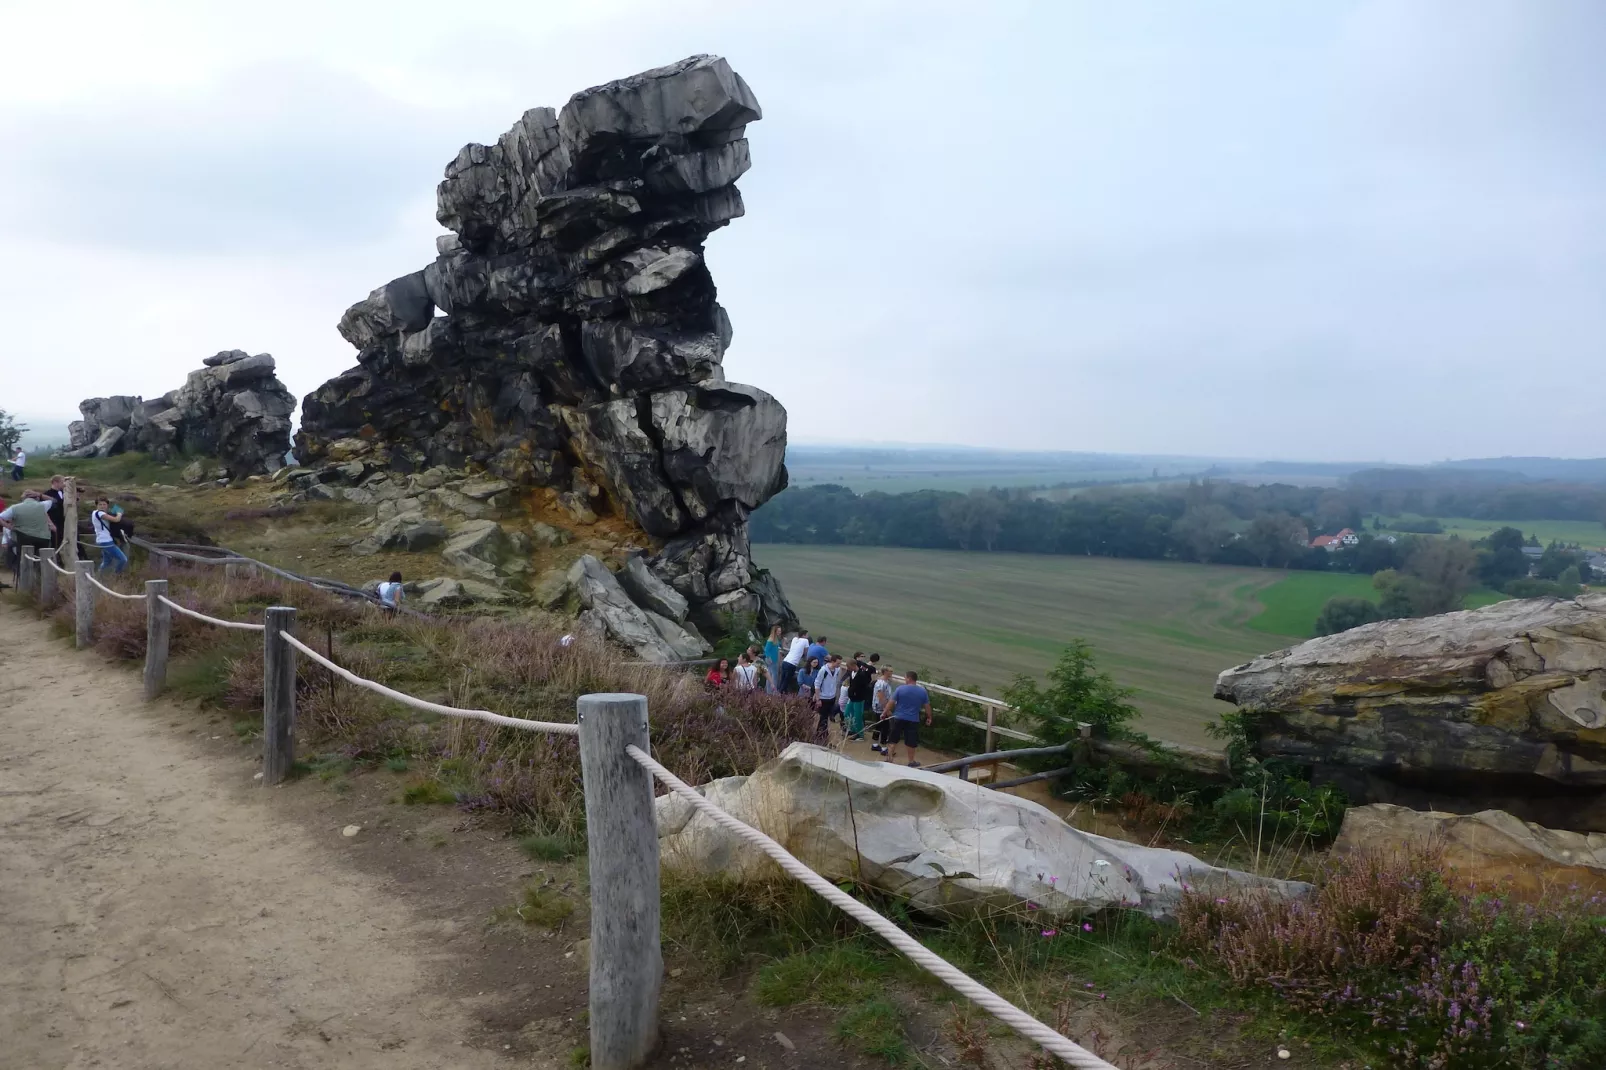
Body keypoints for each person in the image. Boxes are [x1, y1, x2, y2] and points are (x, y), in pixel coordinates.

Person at [1, 490, 57, 578]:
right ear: (36, 498)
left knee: (23, 559)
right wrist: (40, 494)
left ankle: (22, 579)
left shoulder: (15, 507)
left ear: (23, 499)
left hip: (23, 537)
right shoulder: (42, 505)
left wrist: (8, 526)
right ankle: (42, 578)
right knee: (43, 559)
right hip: (43, 538)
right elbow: (54, 501)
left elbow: (1, 517)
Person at [886, 671, 933, 767]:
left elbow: (891, 702)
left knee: (893, 738)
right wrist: (929, 717)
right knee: (911, 741)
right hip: (913, 719)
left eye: (905, 678)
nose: (904, 679)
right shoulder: (922, 691)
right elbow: (927, 706)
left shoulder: (900, 689)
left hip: (898, 717)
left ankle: (889, 758)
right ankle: (911, 761)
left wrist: (884, 712)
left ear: (909, 678)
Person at [90, 497, 128, 574]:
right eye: (100, 504)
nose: (102, 506)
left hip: (102, 540)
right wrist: (119, 513)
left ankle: (98, 576)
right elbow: (116, 519)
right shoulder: (100, 513)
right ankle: (116, 575)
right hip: (106, 541)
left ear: (107, 505)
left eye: (104, 504)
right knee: (123, 559)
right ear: (96, 505)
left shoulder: (94, 513)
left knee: (107, 561)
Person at [843, 653, 874, 740]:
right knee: (847, 714)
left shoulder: (862, 675)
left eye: (849, 666)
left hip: (859, 699)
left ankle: (860, 735)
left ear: (854, 665)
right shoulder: (852, 673)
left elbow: (865, 687)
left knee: (858, 716)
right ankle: (853, 730)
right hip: (852, 697)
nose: (848, 668)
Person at [813, 655, 845, 737]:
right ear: (833, 661)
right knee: (823, 716)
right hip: (823, 697)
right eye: (838, 663)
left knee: (826, 716)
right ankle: (821, 734)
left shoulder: (837, 669)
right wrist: (818, 699)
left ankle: (822, 733)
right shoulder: (823, 670)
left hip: (832, 697)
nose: (839, 665)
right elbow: (817, 684)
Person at [870, 664, 895, 754]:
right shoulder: (881, 683)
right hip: (880, 707)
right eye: (890, 671)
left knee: (878, 726)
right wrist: (887, 710)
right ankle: (884, 747)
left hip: (880, 707)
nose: (892, 673)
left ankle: (875, 744)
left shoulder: (885, 681)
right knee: (885, 727)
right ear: (885, 672)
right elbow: (881, 697)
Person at [41, 476, 65, 549]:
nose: (64, 484)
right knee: (55, 542)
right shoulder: (47, 494)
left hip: (64, 521)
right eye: (62, 482)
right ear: (55, 482)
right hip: (53, 521)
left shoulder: (64, 493)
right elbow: (44, 510)